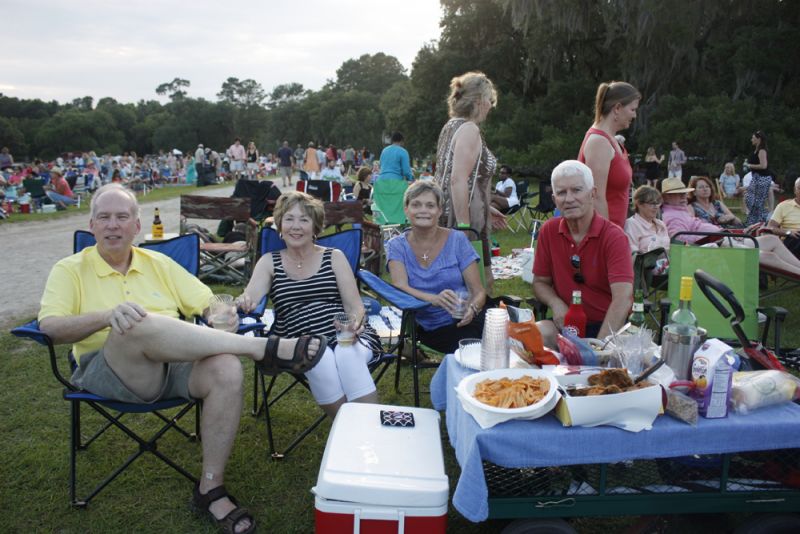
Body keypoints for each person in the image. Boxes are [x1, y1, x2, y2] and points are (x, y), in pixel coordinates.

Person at [38, 184, 326, 534]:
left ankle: (211, 488)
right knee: (133, 322)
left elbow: (208, 302)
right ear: (92, 225)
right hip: (110, 369)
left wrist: (223, 313)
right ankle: (264, 349)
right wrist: (106, 316)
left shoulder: (158, 262)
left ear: (136, 225)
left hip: (171, 364)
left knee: (225, 367)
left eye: (122, 217)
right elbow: (50, 327)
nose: (113, 225)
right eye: (104, 217)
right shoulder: (69, 269)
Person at [237, 192, 381, 418]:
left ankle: (360, 432)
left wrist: (354, 326)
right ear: (280, 226)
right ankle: (361, 433)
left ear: (315, 227)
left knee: (346, 355)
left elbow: (355, 306)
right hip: (299, 342)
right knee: (319, 359)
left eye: (304, 220)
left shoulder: (334, 257)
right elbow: (249, 300)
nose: (296, 226)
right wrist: (242, 302)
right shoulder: (269, 263)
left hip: (343, 333)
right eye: (289, 219)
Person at [532, 160, 633, 346]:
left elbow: (623, 299)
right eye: (562, 192)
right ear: (554, 200)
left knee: (601, 363)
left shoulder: (614, 237)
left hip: (608, 325)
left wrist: (599, 347)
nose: (569, 199)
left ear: (592, 194)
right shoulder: (548, 231)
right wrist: (555, 303)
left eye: (577, 190)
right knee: (536, 334)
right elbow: (540, 282)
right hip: (567, 325)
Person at [386, 181, 487, 353]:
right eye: (416, 205)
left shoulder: (457, 240)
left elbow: (478, 292)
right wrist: (433, 299)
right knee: (475, 347)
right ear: (406, 209)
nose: (423, 210)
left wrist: (473, 308)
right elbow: (399, 286)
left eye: (430, 205)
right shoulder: (397, 246)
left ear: (439, 211)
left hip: (466, 318)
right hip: (430, 327)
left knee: (499, 333)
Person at [434, 71, 506, 290]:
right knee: (478, 286)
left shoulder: (451, 126)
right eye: (489, 100)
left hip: (455, 212)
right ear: (478, 101)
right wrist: (465, 228)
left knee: (457, 286)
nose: (490, 106)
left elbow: (448, 177)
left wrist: (488, 209)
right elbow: (457, 180)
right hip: (465, 219)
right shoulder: (469, 129)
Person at [660, 177, 800, 275]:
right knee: (768, 257)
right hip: (715, 248)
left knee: (772, 240)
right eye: (678, 194)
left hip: (725, 239)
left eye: (683, 193)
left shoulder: (681, 210)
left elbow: (701, 226)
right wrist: (720, 236)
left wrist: (729, 231)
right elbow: (680, 242)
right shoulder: (673, 216)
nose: (683, 196)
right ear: (666, 198)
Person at [577, 81, 641, 228]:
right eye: (632, 109)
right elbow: (596, 198)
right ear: (617, 108)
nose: (635, 115)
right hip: (602, 235)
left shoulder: (610, 140)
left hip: (615, 230)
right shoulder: (599, 142)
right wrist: (607, 238)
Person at [624, 185, 671, 254]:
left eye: (657, 203)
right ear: (639, 203)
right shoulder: (631, 224)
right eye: (652, 203)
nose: (656, 207)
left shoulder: (661, 224)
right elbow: (633, 256)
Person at [744, 130, 772, 226]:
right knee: (749, 197)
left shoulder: (762, 150)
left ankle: (758, 221)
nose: (751, 139)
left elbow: (763, 166)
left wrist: (749, 165)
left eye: (753, 137)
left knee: (758, 202)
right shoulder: (756, 150)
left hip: (762, 178)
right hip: (756, 177)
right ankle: (762, 218)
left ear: (758, 138)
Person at [768, 177, 800, 258]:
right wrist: (788, 232)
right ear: (795, 190)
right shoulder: (783, 206)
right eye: (799, 188)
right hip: (793, 239)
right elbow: (770, 227)